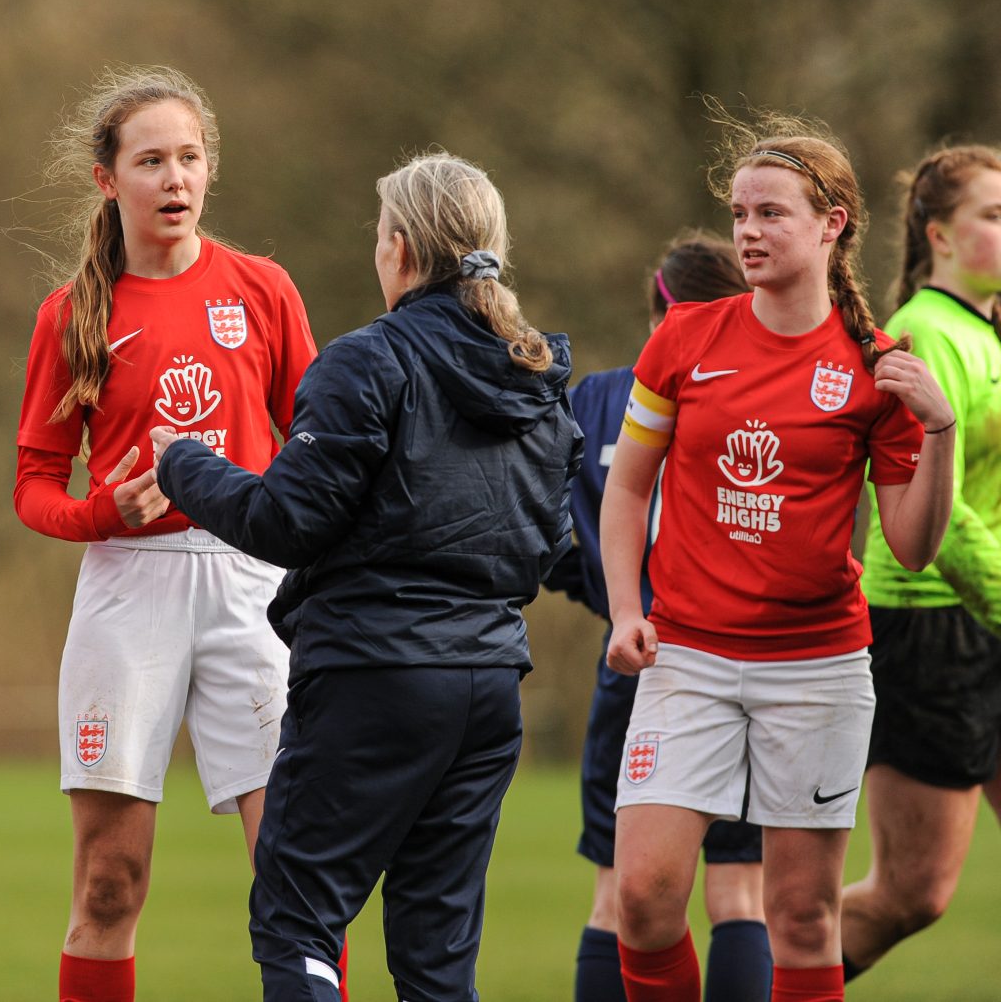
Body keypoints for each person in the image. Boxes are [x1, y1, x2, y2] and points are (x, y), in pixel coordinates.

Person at [152, 150, 581, 1002]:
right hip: (490, 690)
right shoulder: (536, 377)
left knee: (297, 920)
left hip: (373, 677)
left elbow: (284, 521)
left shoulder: (367, 360)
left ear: (400, 250)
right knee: (436, 961)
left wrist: (186, 466)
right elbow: (548, 545)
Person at [601, 113, 956, 1002]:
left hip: (819, 670)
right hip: (687, 655)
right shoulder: (684, 339)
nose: (749, 233)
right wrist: (623, 608)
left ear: (833, 223)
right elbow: (628, 487)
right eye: (739, 215)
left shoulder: (876, 369)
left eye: (771, 214)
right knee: (644, 896)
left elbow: (910, 550)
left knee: (800, 917)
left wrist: (940, 429)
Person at [13, 66, 318, 1002]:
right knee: (111, 883)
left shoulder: (263, 289)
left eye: (190, 158)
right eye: (152, 161)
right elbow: (33, 487)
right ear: (110, 180)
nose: (175, 179)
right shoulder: (72, 315)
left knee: (294, 870)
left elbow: (319, 440)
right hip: (127, 593)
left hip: (252, 585)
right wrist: (106, 512)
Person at [544, 233, 769, 1002]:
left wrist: (611, 598)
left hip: (633, 662)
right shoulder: (765, 391)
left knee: (617, 894)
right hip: (746, 658)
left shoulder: (593, 403)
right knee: (740, 892)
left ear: (657, 308)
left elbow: (536, 529)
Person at [840, 145, 1001, 982]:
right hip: (931, 624)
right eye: (994, 216)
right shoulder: (930, 335)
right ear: (938, 234)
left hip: (988, 620)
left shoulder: (988, 330)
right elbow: (950, 510)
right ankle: (766, 967)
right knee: (912, 895)